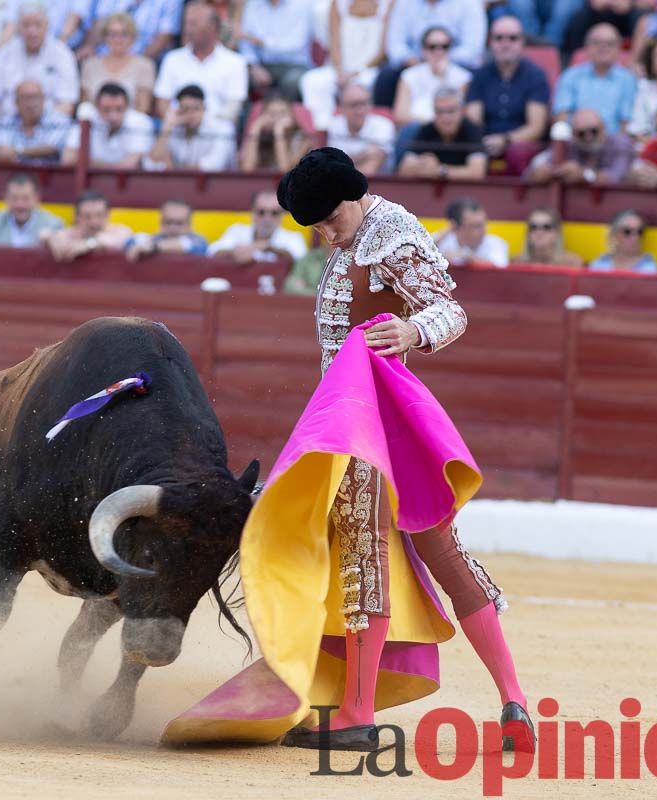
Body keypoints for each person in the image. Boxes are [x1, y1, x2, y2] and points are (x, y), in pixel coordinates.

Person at [167, 146, 532, 755]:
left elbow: (451, 308)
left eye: (332, 220)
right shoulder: (347, 240)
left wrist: (415, 330)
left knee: (371, 555)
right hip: (360, 420)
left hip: (371, 425)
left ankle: (361, 712)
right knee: (435, 551)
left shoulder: (392, 232)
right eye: (316, 226)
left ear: (355, 196)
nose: (327, 234)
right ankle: (511, 699)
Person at [464, 15, 550, 175]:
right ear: (490, 42)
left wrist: (506, 139)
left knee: (516, 153)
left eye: (512, 38)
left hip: (521, 144)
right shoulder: (480, 75)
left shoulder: (536, 76)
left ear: (522, 42)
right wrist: (485, 141)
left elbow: (536, 127)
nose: (505, 44)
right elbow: (473, 120)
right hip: (486, 141)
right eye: (499, 38)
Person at [299, 0, 393, 129]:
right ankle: (323, 131)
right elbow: (334, 41)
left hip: (370, 70)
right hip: (339, 68)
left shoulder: (388, 4)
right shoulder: (338, 3)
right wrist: (339, 70)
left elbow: (383, 50)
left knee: (366, 84)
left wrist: (357, 72)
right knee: (313, 81)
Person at [376, 0, 488, 108]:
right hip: (415, 61)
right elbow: (395, 45)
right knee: (386, 76)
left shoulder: (469, 2)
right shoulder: (405, 2)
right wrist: (411, 59)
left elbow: (472, 48)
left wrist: (440, 57)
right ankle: (386, 122)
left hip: (455, 62)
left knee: (478, 78)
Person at [155, 1, 249, 125]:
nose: (187, 29)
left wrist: (203, 122)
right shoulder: (172, 59)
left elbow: (233, 106)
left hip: (216, 130)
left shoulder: (236, 62)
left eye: (192, 24)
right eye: (186, 24)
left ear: (212, 27)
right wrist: (182, 120)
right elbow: (162, 101)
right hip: (178, 127)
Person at [0, 2, 80, 117]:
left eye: (37, 25)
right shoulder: (4, 53)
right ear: (18, 28)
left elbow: (67, 104)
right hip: (8, 127)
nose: (32, 32)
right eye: (26, 25)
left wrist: (39, 123)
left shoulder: (63, 54)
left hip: (51, 128)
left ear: (47, 25)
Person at [552, 23, 637, 136]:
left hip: (613, 142)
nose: (603, 47)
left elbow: (626, 121)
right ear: (587, 47)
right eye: (597, 43)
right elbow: (561, 115)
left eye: (609, 43)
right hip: (577, 139)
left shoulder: (627, 79)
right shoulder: (571, 76)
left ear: (618, 49)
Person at [525, 107, 635, 185]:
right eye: (581, 133)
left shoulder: (621, 144)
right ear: (573, 134)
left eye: (593, 131)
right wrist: (540, 174)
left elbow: (616, 177)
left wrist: (584, 175)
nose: (588, 137)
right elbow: (527, 174)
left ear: (603, 128)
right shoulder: (566, 146)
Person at [393, 26, 474, 127]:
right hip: (416, 132)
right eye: (432, 47)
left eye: (444, 46)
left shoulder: (464, 77)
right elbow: (400, 116)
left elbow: (462, 115)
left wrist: (442, 77)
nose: (438, 51)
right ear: (423, 50)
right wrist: (430, 124)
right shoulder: (409, 75)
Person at [398, 89, 488, 180]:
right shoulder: (426, 130)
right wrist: (422, 165)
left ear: (462, 111)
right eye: (439, 112)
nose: (445, 118)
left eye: (451, 111)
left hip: (466, 191)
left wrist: (439, 170)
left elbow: (477, 172)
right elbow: (404, 169)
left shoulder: (472, 130)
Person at [78, 12, 157, 114]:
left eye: (124, 34)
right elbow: (85, 102)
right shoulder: (90, 65)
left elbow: (143, 107)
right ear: (105, 37)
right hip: (96, 119)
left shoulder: (145, 65)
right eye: (113, 34)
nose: (118, 40)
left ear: (133, 37)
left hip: (130, 121)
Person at [146, 84, 238, 171]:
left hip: (218, 185)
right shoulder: (173, 126)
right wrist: (167, 128)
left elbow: (214, 166)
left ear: (204, 109)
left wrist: (174, 170)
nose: (190, 114)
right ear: (178, 110)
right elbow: (152, 164)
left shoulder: (222, 128)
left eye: (195, 109)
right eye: (186, 109)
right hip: (179, 183)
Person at [62, 83, 155, 168]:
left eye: (119, 109)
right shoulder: (87, 117)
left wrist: (87, 162)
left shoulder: (141, 122)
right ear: (96, 107)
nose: (113, 116)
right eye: (106, 110)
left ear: (127, 107)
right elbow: (68, 159)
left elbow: (130, 166)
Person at [238, 0, 315, 101]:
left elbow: (295, 45)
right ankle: (246, 116)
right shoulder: (252, 4)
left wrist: (260, 42)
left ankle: (288, 116)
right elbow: (245, 43)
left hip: (295, 65)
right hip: (262, 64)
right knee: (239, 76)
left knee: (292, 83)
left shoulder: (303, 4)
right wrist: (253, 66)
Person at [207, 190, 309, 264]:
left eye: (274, 213)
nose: (267, 218)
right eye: (261, 212)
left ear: (281, 216)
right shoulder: (237, 231)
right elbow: (212, 251)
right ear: (252, 212)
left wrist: (269, 248)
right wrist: (235, 252)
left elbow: (301, 261)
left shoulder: (293, 237)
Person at [64, 0, 181, 61]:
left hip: (143, 59)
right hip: (104, 57)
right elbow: (99, 24)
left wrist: (132, 64)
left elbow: (163, 38)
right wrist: (89, 46)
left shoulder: (169, 1)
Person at [0, 80, 73, 165]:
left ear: (43, 100)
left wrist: (18, 151)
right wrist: (33, 152)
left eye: (35, 97)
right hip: (14, 175)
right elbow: (2, 154)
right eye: (25, 98)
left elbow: (51, 148)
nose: (31, 103)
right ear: (16, 102)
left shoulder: (59, 121)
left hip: (47, 175)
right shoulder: (5, 121)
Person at [44, 190, 134, 262]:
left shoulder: (120, 232)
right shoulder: (70, 234)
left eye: (99, 215)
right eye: (87, 216)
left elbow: (120, 239)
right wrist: (51, 239)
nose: (94, 222)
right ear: (77, 217)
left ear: (108, 215)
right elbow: (47, 235)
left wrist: (88, 244)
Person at [0, 173, 64, 247]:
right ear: (5, 198)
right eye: (14, 198)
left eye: (26, 198)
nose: (20, 205)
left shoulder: (53, 224)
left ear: (36, 198)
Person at [327, 84, 396, 176]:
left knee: (374, 158)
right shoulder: (335, 125)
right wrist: (364, 155)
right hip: (342, 179)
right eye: (353, 105)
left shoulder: (383, 125)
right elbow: (333, 163)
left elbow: (378, 157)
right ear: (342, 107)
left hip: (380, 183)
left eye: (363, 104)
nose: (359, 110)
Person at [239, 95, 314, 172]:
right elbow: (247, 169)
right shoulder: (259, 136)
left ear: (292, 115)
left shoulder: (303, 139)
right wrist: (255, 129)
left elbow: (285, 170)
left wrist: (278, 132)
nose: (277, 118)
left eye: (283, 113)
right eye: (272, 114)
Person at [434, 197, 510, 267]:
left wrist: (468, 257)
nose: (483, 230)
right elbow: (424, 250)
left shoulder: (496, 243)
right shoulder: (443, 240)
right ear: (456, 227)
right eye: (476, 226)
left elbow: (498, 270)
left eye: (483, 224)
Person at [561, 0, 642, 64]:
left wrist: (631, 3)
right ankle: (577, 56)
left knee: (641, 17)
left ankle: (636, 60)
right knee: (580, 17)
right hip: (598, 12)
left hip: (625, 14)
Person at [126, 200, 209, 260]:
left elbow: (190, 245)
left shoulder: (198, 241)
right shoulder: (155, 238)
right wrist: (138, 245)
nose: (173, 228)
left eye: (179, 223)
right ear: (161, 222)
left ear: (189, 224)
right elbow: (132, 241)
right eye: (168, 222)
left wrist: (153, 247)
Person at [589, 210, 657, 272]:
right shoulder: (599, 265)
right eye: (627, 232)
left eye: (640, 232)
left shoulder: (650, 268)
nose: (635, 237)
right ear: (614, 234)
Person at [513, 208, 584, 266]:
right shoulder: (517, 262)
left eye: (547, 227)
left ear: (557, 233)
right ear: (527, 233)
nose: (539, 232)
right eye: (533, 227)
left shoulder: (572, 263)